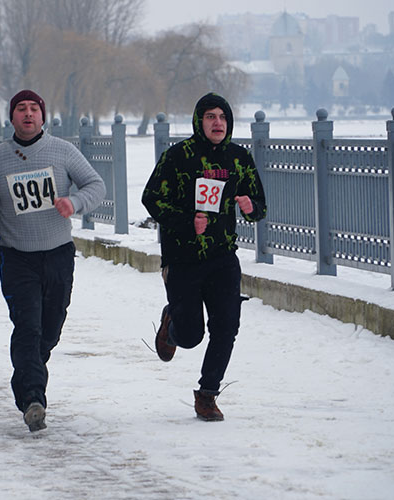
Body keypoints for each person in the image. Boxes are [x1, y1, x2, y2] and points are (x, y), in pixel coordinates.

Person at [0, 90, 106, 432]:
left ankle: (28, 374)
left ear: (43, 116)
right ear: (12, 117)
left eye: (34, 108)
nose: (28, 114)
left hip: (58, 253)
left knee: (49, 331)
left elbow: (96, 184)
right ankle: (33, 398)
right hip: (17, 256)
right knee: (27, 327)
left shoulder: (62, 151)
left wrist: (74, 203)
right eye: (21, 109)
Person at [141, 92, 267, 422]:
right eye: (210, 116)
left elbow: (259, 203)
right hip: (183, 257)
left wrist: (251, 207)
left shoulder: (239, 158)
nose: (218, 123)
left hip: (223, 256)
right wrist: (187, 223)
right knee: (192, 335)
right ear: (199, 121)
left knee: (227, 327)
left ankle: (208, 394)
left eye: (223, 117)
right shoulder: (178, 156)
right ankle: (172, 325)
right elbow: (151, 198)